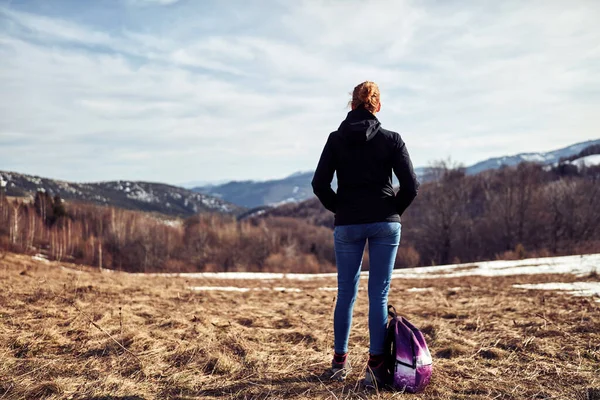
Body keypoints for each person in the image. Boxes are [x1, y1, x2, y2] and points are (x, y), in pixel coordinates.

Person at [312, 81, 419, 387]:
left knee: (346, 293)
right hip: (385, 222)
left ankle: (338, 364)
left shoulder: (335, 140)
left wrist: (341, 210)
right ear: (378, 106)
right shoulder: (392, 139)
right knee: (379, 294)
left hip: (348, 224)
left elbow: (319, 185)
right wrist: (390, 211)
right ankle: (374, 368)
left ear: (352, 105)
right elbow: (411, 186)